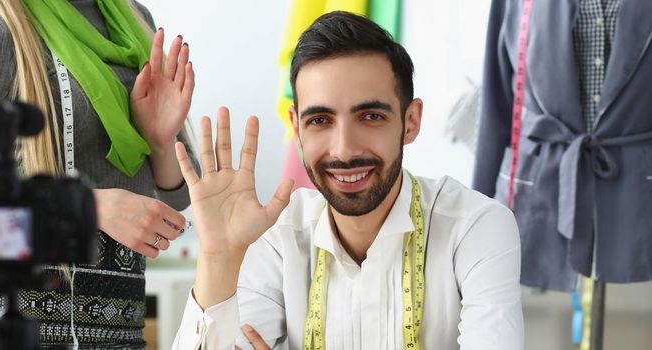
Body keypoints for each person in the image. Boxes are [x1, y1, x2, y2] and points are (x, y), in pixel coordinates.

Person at [170, 11, 523, 349]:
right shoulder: (276, 239)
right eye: (320, 120)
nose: (344, 149)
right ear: (297, 128)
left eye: (370, 116)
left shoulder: (475, 228)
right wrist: (219, 256)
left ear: (411, 121)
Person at [0, 0, 198, 348]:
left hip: (118, 335)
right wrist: (89, 207)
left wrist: (160, 142)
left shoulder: (132, 20)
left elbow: (178, 196)